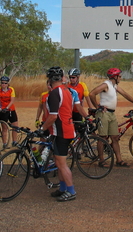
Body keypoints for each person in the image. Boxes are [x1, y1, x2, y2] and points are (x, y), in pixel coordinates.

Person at [89, 68, 133, 168]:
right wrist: (97, 107)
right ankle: (101, 161)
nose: (121, 78)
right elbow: (92, 93)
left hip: (112, 114)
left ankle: (119, 160)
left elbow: (125, 94)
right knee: (102, 138)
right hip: (103, 114)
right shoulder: (106, 85)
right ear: (115, 77)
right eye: (120, 76)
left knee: (115, 137)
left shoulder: (115, 86)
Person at [40, 67, 77, 202]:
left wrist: (42, 128)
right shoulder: (66, 91)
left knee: (61, 163)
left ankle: (71, 190)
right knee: (58, 161)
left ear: (49, 80)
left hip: (62, 132)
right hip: (66, 129)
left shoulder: (55, 94)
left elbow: (53, 116)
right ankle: (62, 188)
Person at [0, 76, 18, 149]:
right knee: (4, 128)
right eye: (2, 83)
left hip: (11, 110)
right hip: (2, 111)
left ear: (8, 84)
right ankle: (5, 143)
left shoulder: (11, 89)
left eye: (5, 83)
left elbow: (12, 100)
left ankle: (14, 141)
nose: (4, 84)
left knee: (15, 126)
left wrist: (7, 108)